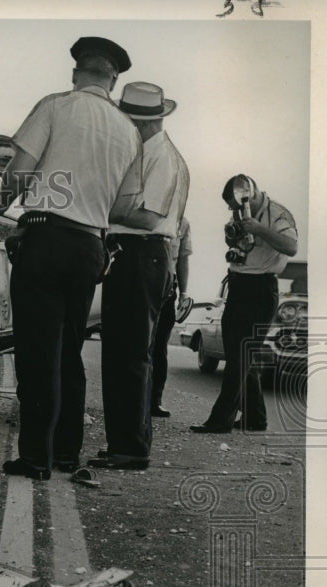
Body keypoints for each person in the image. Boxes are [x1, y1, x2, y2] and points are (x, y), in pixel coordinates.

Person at [0, 36, 142, 480]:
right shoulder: (129, 131)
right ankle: (65, 454)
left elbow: (17, 177)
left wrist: (5, 198)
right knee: (69, 351)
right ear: (113, 79)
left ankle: (35, 458)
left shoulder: (55, 106)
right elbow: (126, 207)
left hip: (45, 237)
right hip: (90, 247)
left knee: (36, 351)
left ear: (77, 73)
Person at [90, 81, 190, 471]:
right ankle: (125, 443)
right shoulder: (154, 153)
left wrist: (98, 209)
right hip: (139, 254)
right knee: (124, 353)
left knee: (129, 355)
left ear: (140, 122)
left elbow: (147, 217)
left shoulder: (162, 158)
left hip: (142, 252)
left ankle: (130, 448)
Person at [190, 176, 298, 433]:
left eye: (235, 206)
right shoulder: (240, 213)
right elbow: (234, 239)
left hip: (260, 288)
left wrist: (258, 229)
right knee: (239, 356)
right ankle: (255, 418)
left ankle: (220, 420)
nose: (234, 212)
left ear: (249, 194)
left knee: (240, 359)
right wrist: (233, 234)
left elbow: (292, 247)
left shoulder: (279, 215)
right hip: (238, 285)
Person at [151, 217, 192, 417]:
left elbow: (183, 259)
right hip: (145, 279)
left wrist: (184, 293)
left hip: (169, 286)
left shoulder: (182, 223)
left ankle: (154, 400)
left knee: (160, 348)